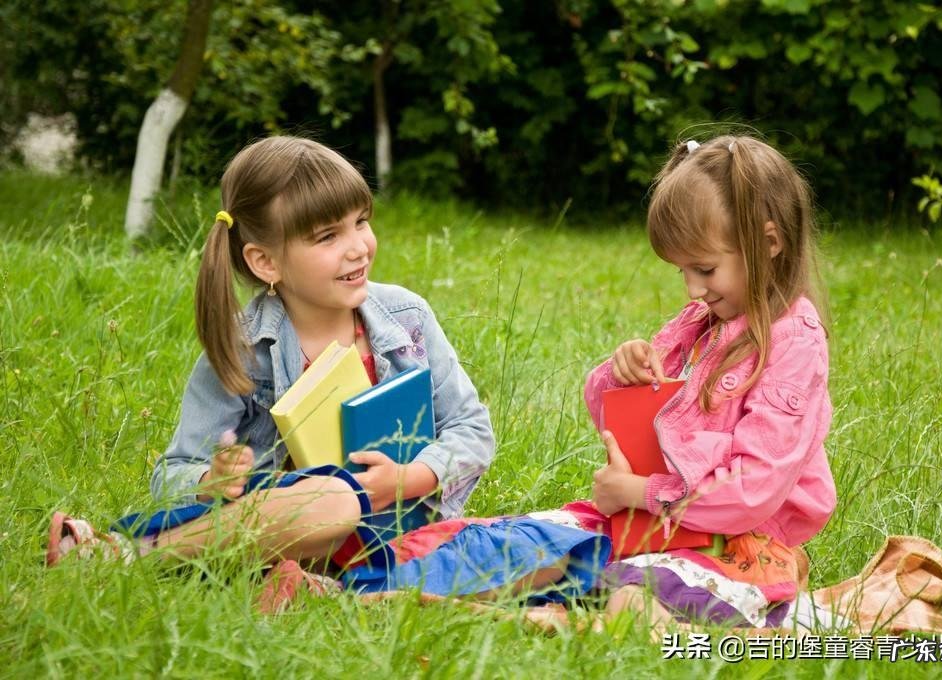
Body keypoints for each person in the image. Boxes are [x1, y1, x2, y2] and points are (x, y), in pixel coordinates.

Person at [47, 136, 495, 569]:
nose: (358, 246)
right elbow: (174, 470)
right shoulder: (243, 350)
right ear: (266, 262)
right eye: (327, 237)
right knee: (336, 499)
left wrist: (411, 478)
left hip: (400, 527)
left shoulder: (407, 316)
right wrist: (212, 481)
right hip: (295, 527)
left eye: (361, 221)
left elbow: (471, 427)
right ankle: (128, 556)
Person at [579, 135, 836, 630]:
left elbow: (752, 491)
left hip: (744, 540)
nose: (694, 289)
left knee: (629, 602)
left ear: (769, 242)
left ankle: (749, 624)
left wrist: (640, 493)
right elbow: (614, 416)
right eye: (683, 271)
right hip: (670, 528)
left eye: (705, 269)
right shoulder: (701, 320)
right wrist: (622, 371)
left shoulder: (793, 342)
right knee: (552, 560)